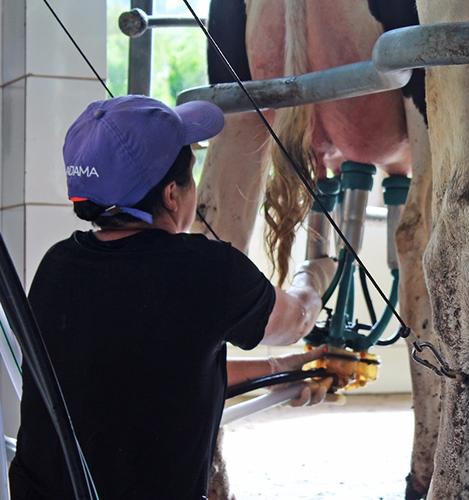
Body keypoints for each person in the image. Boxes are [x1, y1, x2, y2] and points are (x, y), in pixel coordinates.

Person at [8, 95, 336, 499]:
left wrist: (282, 370)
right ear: (171, 195)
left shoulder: (57, 266)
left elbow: (156, 372)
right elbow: (295, 322)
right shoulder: (207, 270)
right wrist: (315, 274)